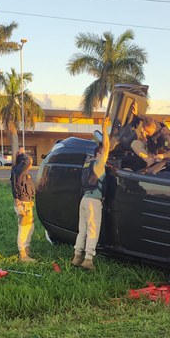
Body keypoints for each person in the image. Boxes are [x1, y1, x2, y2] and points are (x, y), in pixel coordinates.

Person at [72, 116, 112, 271]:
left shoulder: (87, 164)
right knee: (93, 230)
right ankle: (88, 260)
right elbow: (106, 146)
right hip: (94, 201)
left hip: (84, 200)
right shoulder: (99, 163)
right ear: (99, 153)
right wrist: (104, 128)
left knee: (82, 230)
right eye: (104, 153)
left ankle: (77, 256)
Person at [9, 151, 36, 262]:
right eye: (30, 163)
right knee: (24, 229)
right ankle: (22, 254)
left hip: (27, 203)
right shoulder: (19, 172)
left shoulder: (22, 173)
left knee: (30, 227)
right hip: (23, 204)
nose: (31, 164)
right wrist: (24, 155)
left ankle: (26, 249)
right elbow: (27, 161)